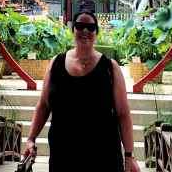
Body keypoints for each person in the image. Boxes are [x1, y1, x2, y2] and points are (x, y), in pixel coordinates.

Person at [23, 11, 140, 172]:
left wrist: (129, 155)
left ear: (96, 33)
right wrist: (31, 139)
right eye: (80, 26)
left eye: (90, 27)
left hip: (104, 155)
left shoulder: (110, 67)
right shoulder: (56, 64)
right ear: (73, 30)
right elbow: (43, 106)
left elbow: (123, 114)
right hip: (64, 154)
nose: (85, 31)